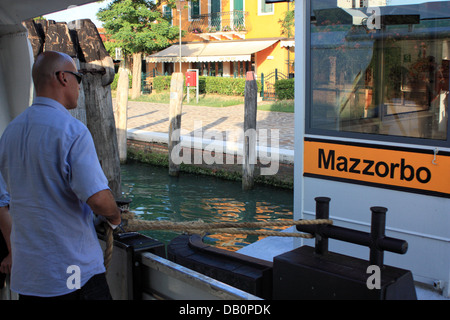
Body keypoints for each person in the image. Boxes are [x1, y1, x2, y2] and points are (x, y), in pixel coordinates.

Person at [0, 51, 121, 300]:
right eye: (78, 77)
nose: (80, 85)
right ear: (62, 77)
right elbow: (98, 199)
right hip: (71, 272)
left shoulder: (10, 132)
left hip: (31, 277)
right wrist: (115, 216)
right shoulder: (72, 130)